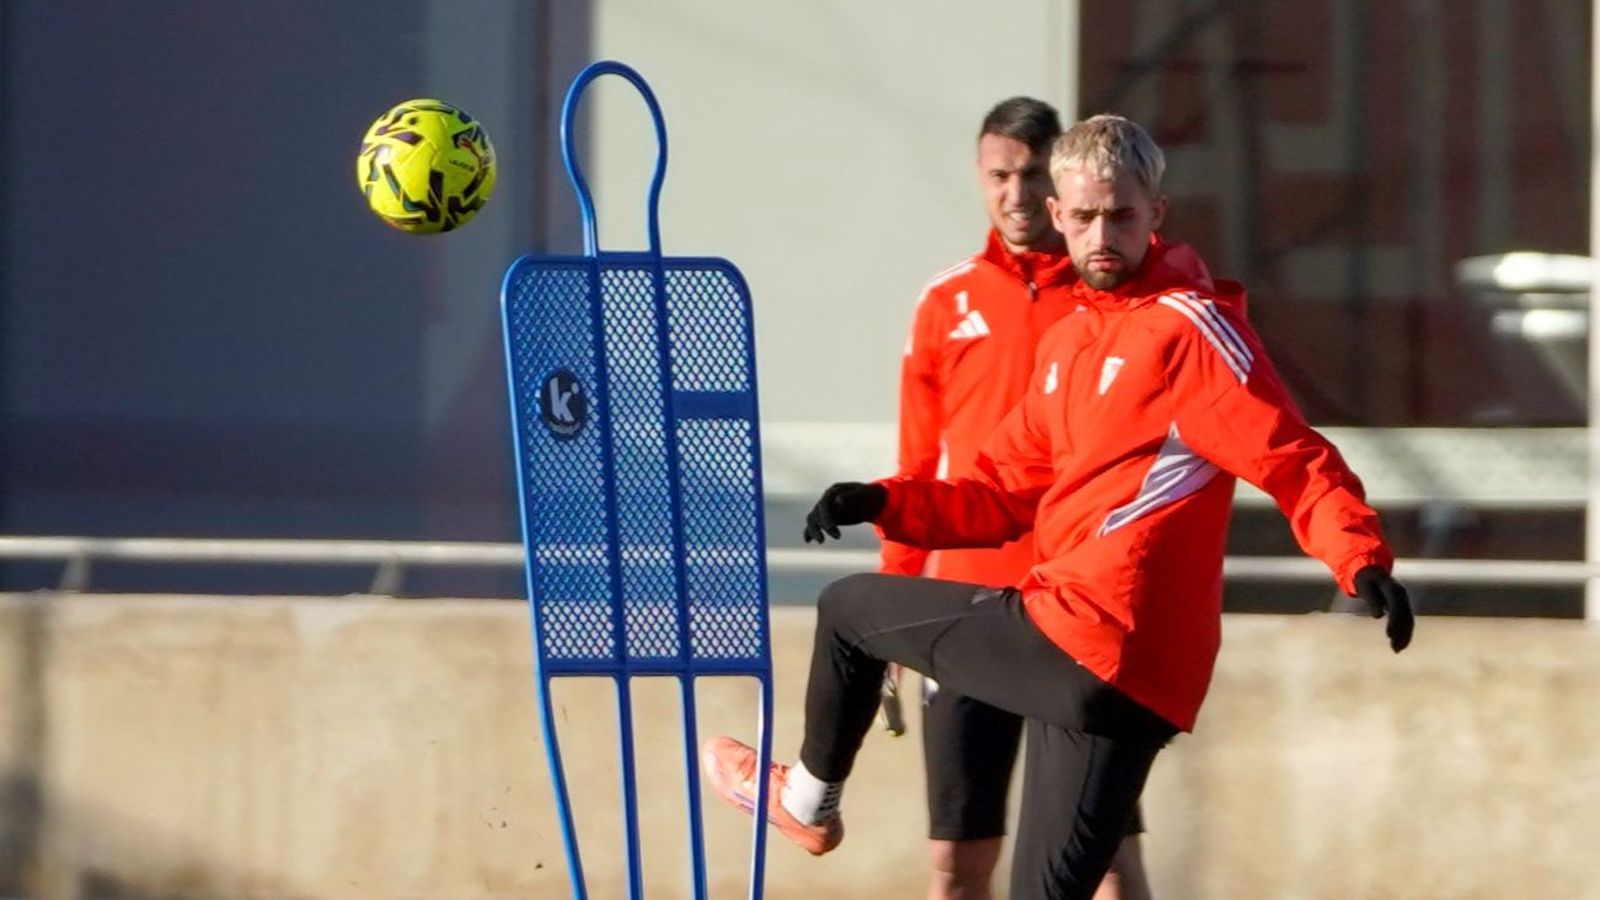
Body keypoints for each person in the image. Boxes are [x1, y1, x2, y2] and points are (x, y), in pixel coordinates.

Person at [702, 114, 1414, 899]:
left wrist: (1359, 558)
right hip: (1108, 674)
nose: (1101, 234)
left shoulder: (1192, 330)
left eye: (1120, 215)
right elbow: (1000, 492)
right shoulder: (1069, 342)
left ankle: (804, 801)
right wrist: (886, 502)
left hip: (1099, 635)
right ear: (1058, 217)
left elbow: (1292, 457)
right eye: (1083, 217)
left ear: (1156, 214)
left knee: (846, 607)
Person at [882, 96, 1157, 900]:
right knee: (958, 860)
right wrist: (899, 602)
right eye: (999, 173)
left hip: (1080, 608)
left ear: (1061, 186)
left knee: (1105, 857)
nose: (1014, 192)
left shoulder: (1115, 297)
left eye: (1032, 174)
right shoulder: (946, 302)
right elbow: (916, 467)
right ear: (981, 176)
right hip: (966, 606)